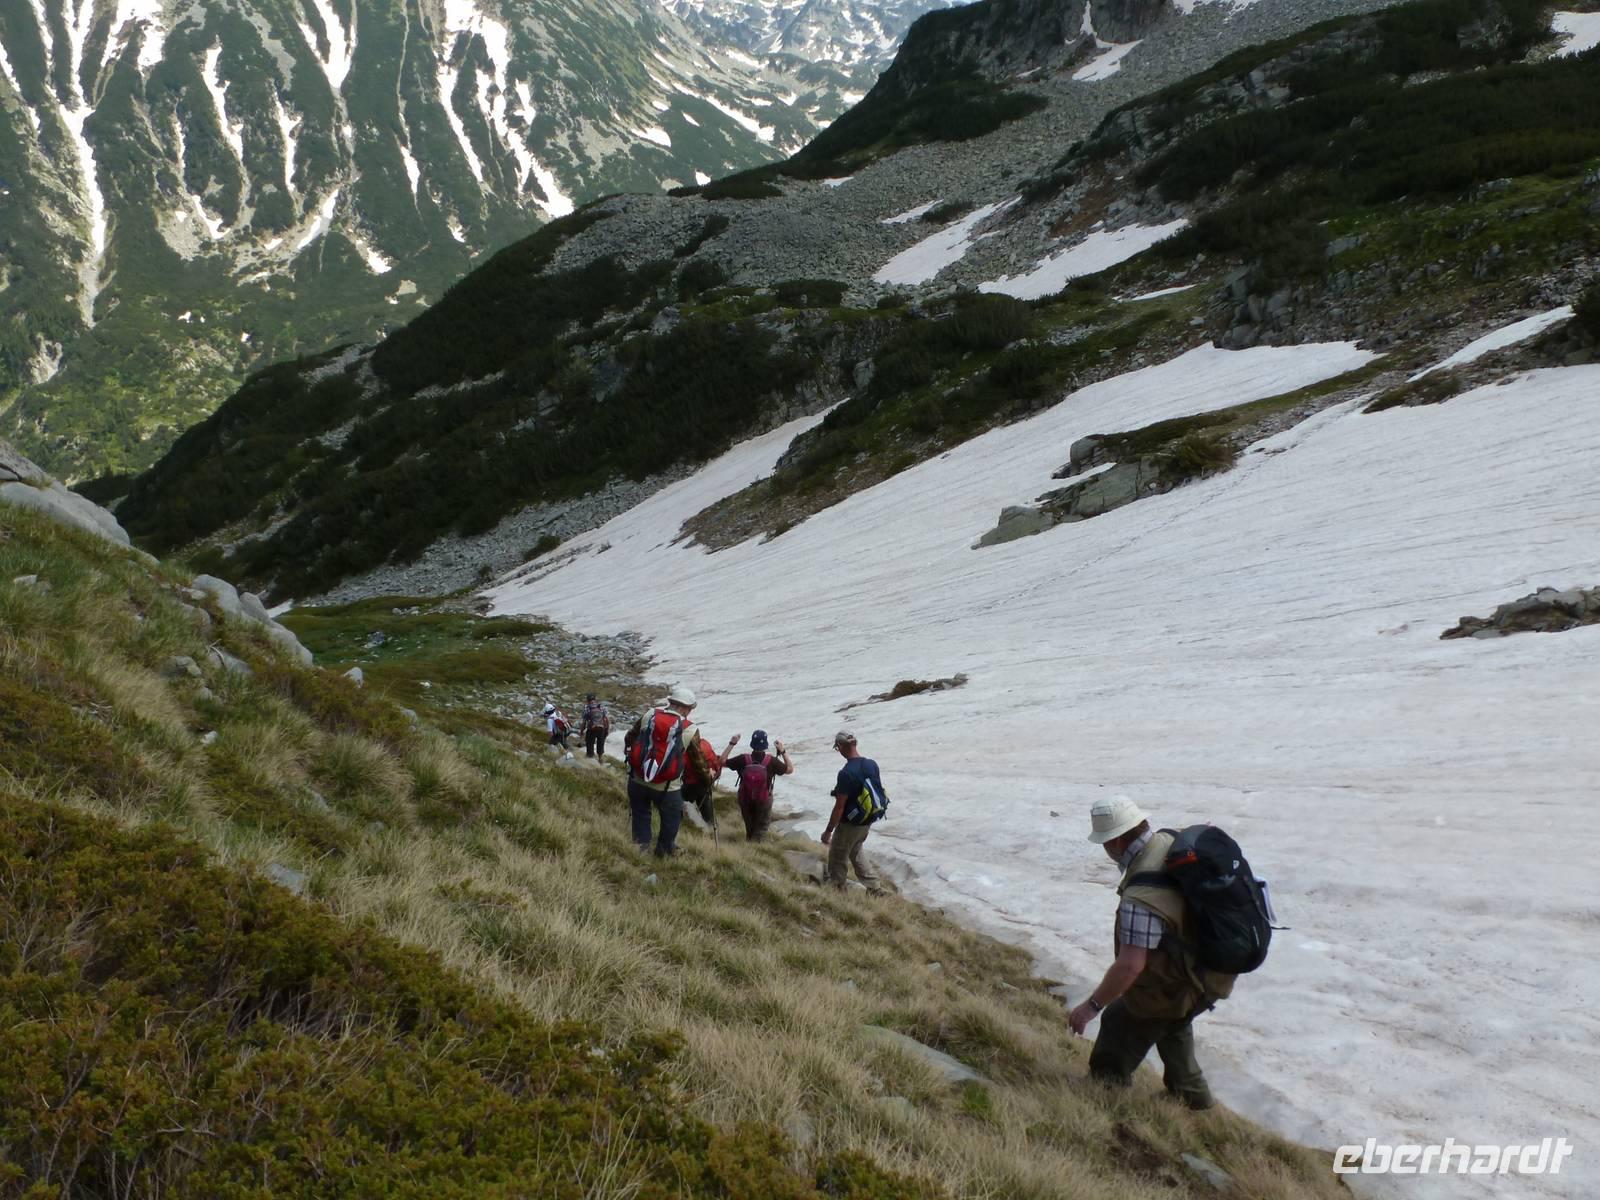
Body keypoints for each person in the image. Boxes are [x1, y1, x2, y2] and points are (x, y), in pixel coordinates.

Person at [1067, 795, 1229, 1111]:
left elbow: (1130, 966)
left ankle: (1104, 1088)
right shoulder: (1170, 839)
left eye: (1103, 842)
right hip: (1210, 969)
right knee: (1172, 1020)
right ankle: (1192, 1096)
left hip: (1187, 978)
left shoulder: (1141, 896)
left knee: (1121, 1019)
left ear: (1114, 841)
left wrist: (1091, 1007)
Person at [622, 684, 717, 857]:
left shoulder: (650, 715)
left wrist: (632, 758)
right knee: (671, 818)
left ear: (670, 702)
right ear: (686, 708)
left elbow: (630, 737)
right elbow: (698, 762)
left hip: (637, 779)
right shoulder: (689, 728)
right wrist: (708, 777)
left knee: (641, 813)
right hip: (667, 787)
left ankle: (640, 849)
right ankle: (664, 851)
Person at [821, 730, 886, 894]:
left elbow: (840, 806)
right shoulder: (872, 764)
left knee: (837, 856)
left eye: (837, 747)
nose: (838, 751)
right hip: (868, 818)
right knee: (856, 850)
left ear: (841, 746)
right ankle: (875, 888)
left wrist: (828, 831)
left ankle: (837, 891)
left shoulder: (846, 773)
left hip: (850, 823)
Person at [724, 730, 793, 841]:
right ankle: (755, 850)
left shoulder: (743, 759)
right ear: (765, 744)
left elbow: (722, 761)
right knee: (761, 829)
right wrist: (783, 751)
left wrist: (732, 743)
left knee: (750, 828)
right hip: (763, 799)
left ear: (752, 743)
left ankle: (750, 848)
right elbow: (790, 769)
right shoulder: (771, 761)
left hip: (745, 798)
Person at [681, 728, 735, 828]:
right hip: (706, 782)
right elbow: (714, 760)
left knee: (678, 801)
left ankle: (683, 825)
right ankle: (712, 826)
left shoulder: (683, 751)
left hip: (690, 784)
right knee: (705, 803)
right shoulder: (705, 744)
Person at [581, 693, 610, 759]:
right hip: (601, 728)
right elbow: (607, 719)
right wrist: (607, 729)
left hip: (591, 729)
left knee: (589, 743)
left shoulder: (587, 708)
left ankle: (590, 758)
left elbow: (584, 722)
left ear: (587, 700)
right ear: (595, 699)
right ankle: (600, 758)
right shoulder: (601, 707)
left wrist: (581, 731)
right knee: (600, 743)